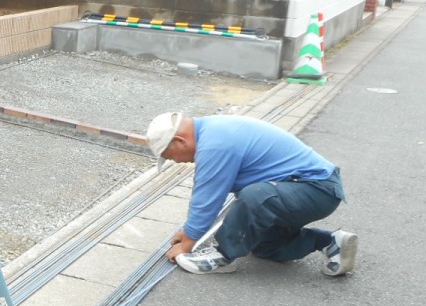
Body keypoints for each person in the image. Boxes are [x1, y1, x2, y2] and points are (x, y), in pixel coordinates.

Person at [146, 111, 357, 276]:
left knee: (254, 196)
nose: (177, 161)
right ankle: (330, 242)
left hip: (317, 188)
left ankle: (221, 256)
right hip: (298, 190)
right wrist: (189, 231)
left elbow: (208, 195)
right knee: (262, 245)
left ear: (180, 141)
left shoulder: (215, 142)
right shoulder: (212, 131)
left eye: (170, 155)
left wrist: (188, 243)